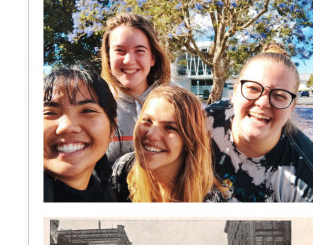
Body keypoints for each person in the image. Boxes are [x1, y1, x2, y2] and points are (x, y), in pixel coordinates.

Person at [206, 43, 313, 202]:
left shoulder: (311, 180)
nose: (263, 103)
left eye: (279, 95)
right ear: (235, 92)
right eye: (253, 89)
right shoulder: (203, 122)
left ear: (292, 107)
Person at [111, 86, 226, 202]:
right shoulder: (122, 170)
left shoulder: (210, 200)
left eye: (170, 127)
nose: (152, 134)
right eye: (147, 121)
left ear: (190, 140)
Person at [101, 12, 171, 163]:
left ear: (152, 58)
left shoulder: (176, 102)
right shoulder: (95, 105)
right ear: (108, 57)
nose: (129, 60)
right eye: (119, 50)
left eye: (139, 50)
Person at [43, 64, 118, 202]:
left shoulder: (107, 198)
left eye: (87, 111)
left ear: (112, 130)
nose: (67, 127)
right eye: (49, 113)